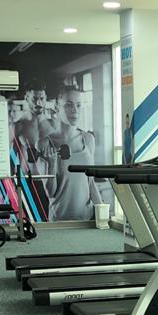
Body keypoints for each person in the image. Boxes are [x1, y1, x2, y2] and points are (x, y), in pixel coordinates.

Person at [39, 84, 102, 220]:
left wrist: (103, 214)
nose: (75, 110)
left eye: (78, 105)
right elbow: (50, 193)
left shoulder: (88, 139)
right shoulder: (45, 143)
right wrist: (51, 164)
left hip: (87, 220)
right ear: (57, 107)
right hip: (60, 221)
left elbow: (91, 183)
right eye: (69, 105)